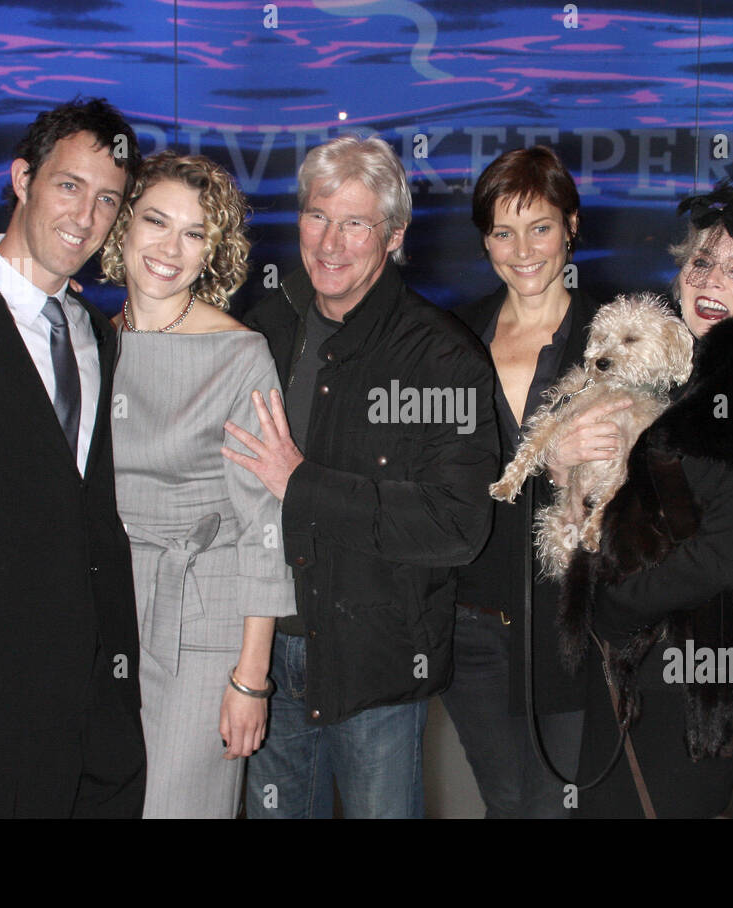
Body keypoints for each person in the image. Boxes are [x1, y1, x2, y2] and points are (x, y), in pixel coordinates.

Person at [232, 135, 498, 819]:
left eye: (356, 222)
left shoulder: (443, 356)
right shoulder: (263, 330)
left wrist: (304, 484)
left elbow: (457, 525)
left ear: (394, 236)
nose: (330, 241)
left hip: (377, 667)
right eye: (319, 216)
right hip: (267, 655)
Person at [559, 183, 733, 818]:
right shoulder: (684, 373)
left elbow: (723, 558)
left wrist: (613, 606)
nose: (713, 281)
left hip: (691, 669)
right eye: (702, 261)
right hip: (642, 657)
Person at [0, 98, 148, 818]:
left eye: (107, 200)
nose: (86, 217)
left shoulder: (97, 331)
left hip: (95, 707)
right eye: (69, 186)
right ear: (22, 178)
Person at [101, 151, 295, 818]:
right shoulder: (93, 343)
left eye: (193, 235)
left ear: (211, 253)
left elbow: (266, 527)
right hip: (106, 617)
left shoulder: (240, 355)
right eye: (156, 222)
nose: (170, 249)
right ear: (122, 225)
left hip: (203, 630)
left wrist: (251, 678)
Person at [440, 145, 608, 817]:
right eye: (502, 232)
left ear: (570, 225)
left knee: (555, 806)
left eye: (539, 226)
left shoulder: (616, 335)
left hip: (575, 624)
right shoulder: (453, 337)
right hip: (472, 622)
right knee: (504, 804)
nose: (523, 248)